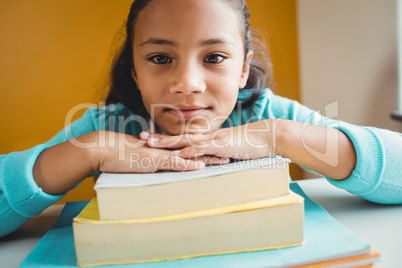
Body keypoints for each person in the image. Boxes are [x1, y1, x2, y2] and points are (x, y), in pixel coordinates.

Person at [1, 0, 401, 238]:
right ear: (135, 71)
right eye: (160, 58)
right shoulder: (108, 129)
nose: (187, 84)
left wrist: (282, 135)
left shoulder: (266, 115)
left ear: (243, 70)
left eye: (213, 58)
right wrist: (86, 151)